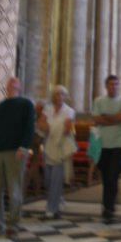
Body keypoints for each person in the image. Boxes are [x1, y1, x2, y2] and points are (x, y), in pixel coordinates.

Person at [0, 76, 35, 238]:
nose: (12, 82)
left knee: (14, 189)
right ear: (6, 86)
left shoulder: (26, 104)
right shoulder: (1, 105)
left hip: (16, 151)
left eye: (15, 81)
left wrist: (24, 146)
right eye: (10, 81)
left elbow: (29, 127)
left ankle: (13, 225)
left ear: (20, 86)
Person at [92, 74, 121, 224]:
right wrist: (114, 118)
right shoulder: (99, 101)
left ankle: (109, 207)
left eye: (116, 84)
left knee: (113, 176)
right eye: (111, 84)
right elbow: (96, 119)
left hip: (117, 144)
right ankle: (106, 205)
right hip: (102, 143)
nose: (113, 87)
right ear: (106, 86)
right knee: (105, 176)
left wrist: (106, 118)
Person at [38, 85, 75, 219]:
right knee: (48, 178)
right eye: (57, 94)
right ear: (53, 96)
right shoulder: (48, 108)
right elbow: (41, 124)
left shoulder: (69, 111)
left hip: (60, 147)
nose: (59, 97)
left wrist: (50, 126)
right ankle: (58, 199)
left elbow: (66, 129)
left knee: (56, 179)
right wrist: (54, 127)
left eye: (62, 94)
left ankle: (51, 210)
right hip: (48, 145)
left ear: (65, 97)